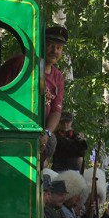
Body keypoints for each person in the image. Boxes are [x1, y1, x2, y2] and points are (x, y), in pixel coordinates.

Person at [41, 25, 68, 159]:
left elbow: (56, 111)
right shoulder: (22, 64)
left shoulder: (58, 77)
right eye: (51, 45)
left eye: (59, 48)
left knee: (51, 143)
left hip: (42, 132)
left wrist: (47, 132)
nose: (55, 51)